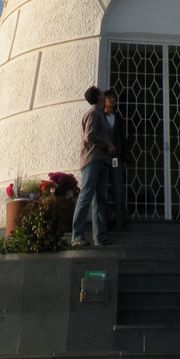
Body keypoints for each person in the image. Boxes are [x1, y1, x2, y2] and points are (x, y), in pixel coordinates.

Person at [70, 86, 116, 248]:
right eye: (101, 93)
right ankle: (77, 236)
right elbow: (89, 136)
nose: (104, 94)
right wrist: (107, 144)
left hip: (102, 160)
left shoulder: (100, 114)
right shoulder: (94, 113)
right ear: (98, 97)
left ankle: (100, 237)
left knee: (100, 199)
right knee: (87, 195)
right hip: (92, 160)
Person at [103, 89, 129, 230]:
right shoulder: (100, 116)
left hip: (116, 157)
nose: (113, 100)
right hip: (102, 157)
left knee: (118, 187)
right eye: (110, 98)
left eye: (114, 98)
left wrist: (125, 158)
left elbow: (122, 139)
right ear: (104, 101)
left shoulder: (118, 118)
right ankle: (104, 221)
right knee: (103, 189)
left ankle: (120, 222)